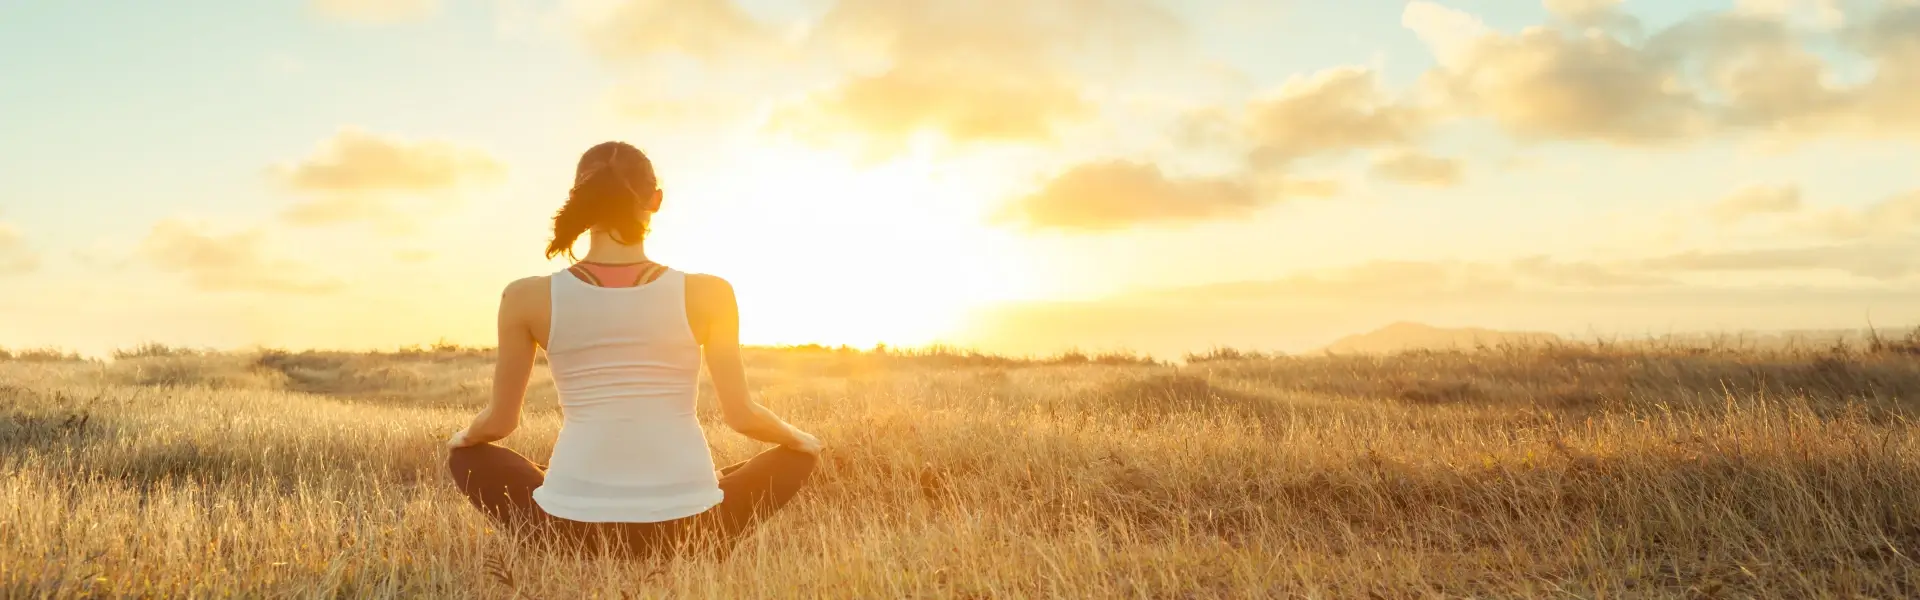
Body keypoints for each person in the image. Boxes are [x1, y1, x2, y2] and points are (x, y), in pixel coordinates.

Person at [445, 141, 823, 559]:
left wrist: (462, 438)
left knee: (469, 458)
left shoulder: (525, 297)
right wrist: (801, 440)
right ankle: (700, 537)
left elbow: (499, 422)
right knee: (792, 457)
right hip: (689, 526)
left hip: (572, 530)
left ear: (579, 199)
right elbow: (743, 416)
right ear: (655, 201)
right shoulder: (710, 293)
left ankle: (568, 524)